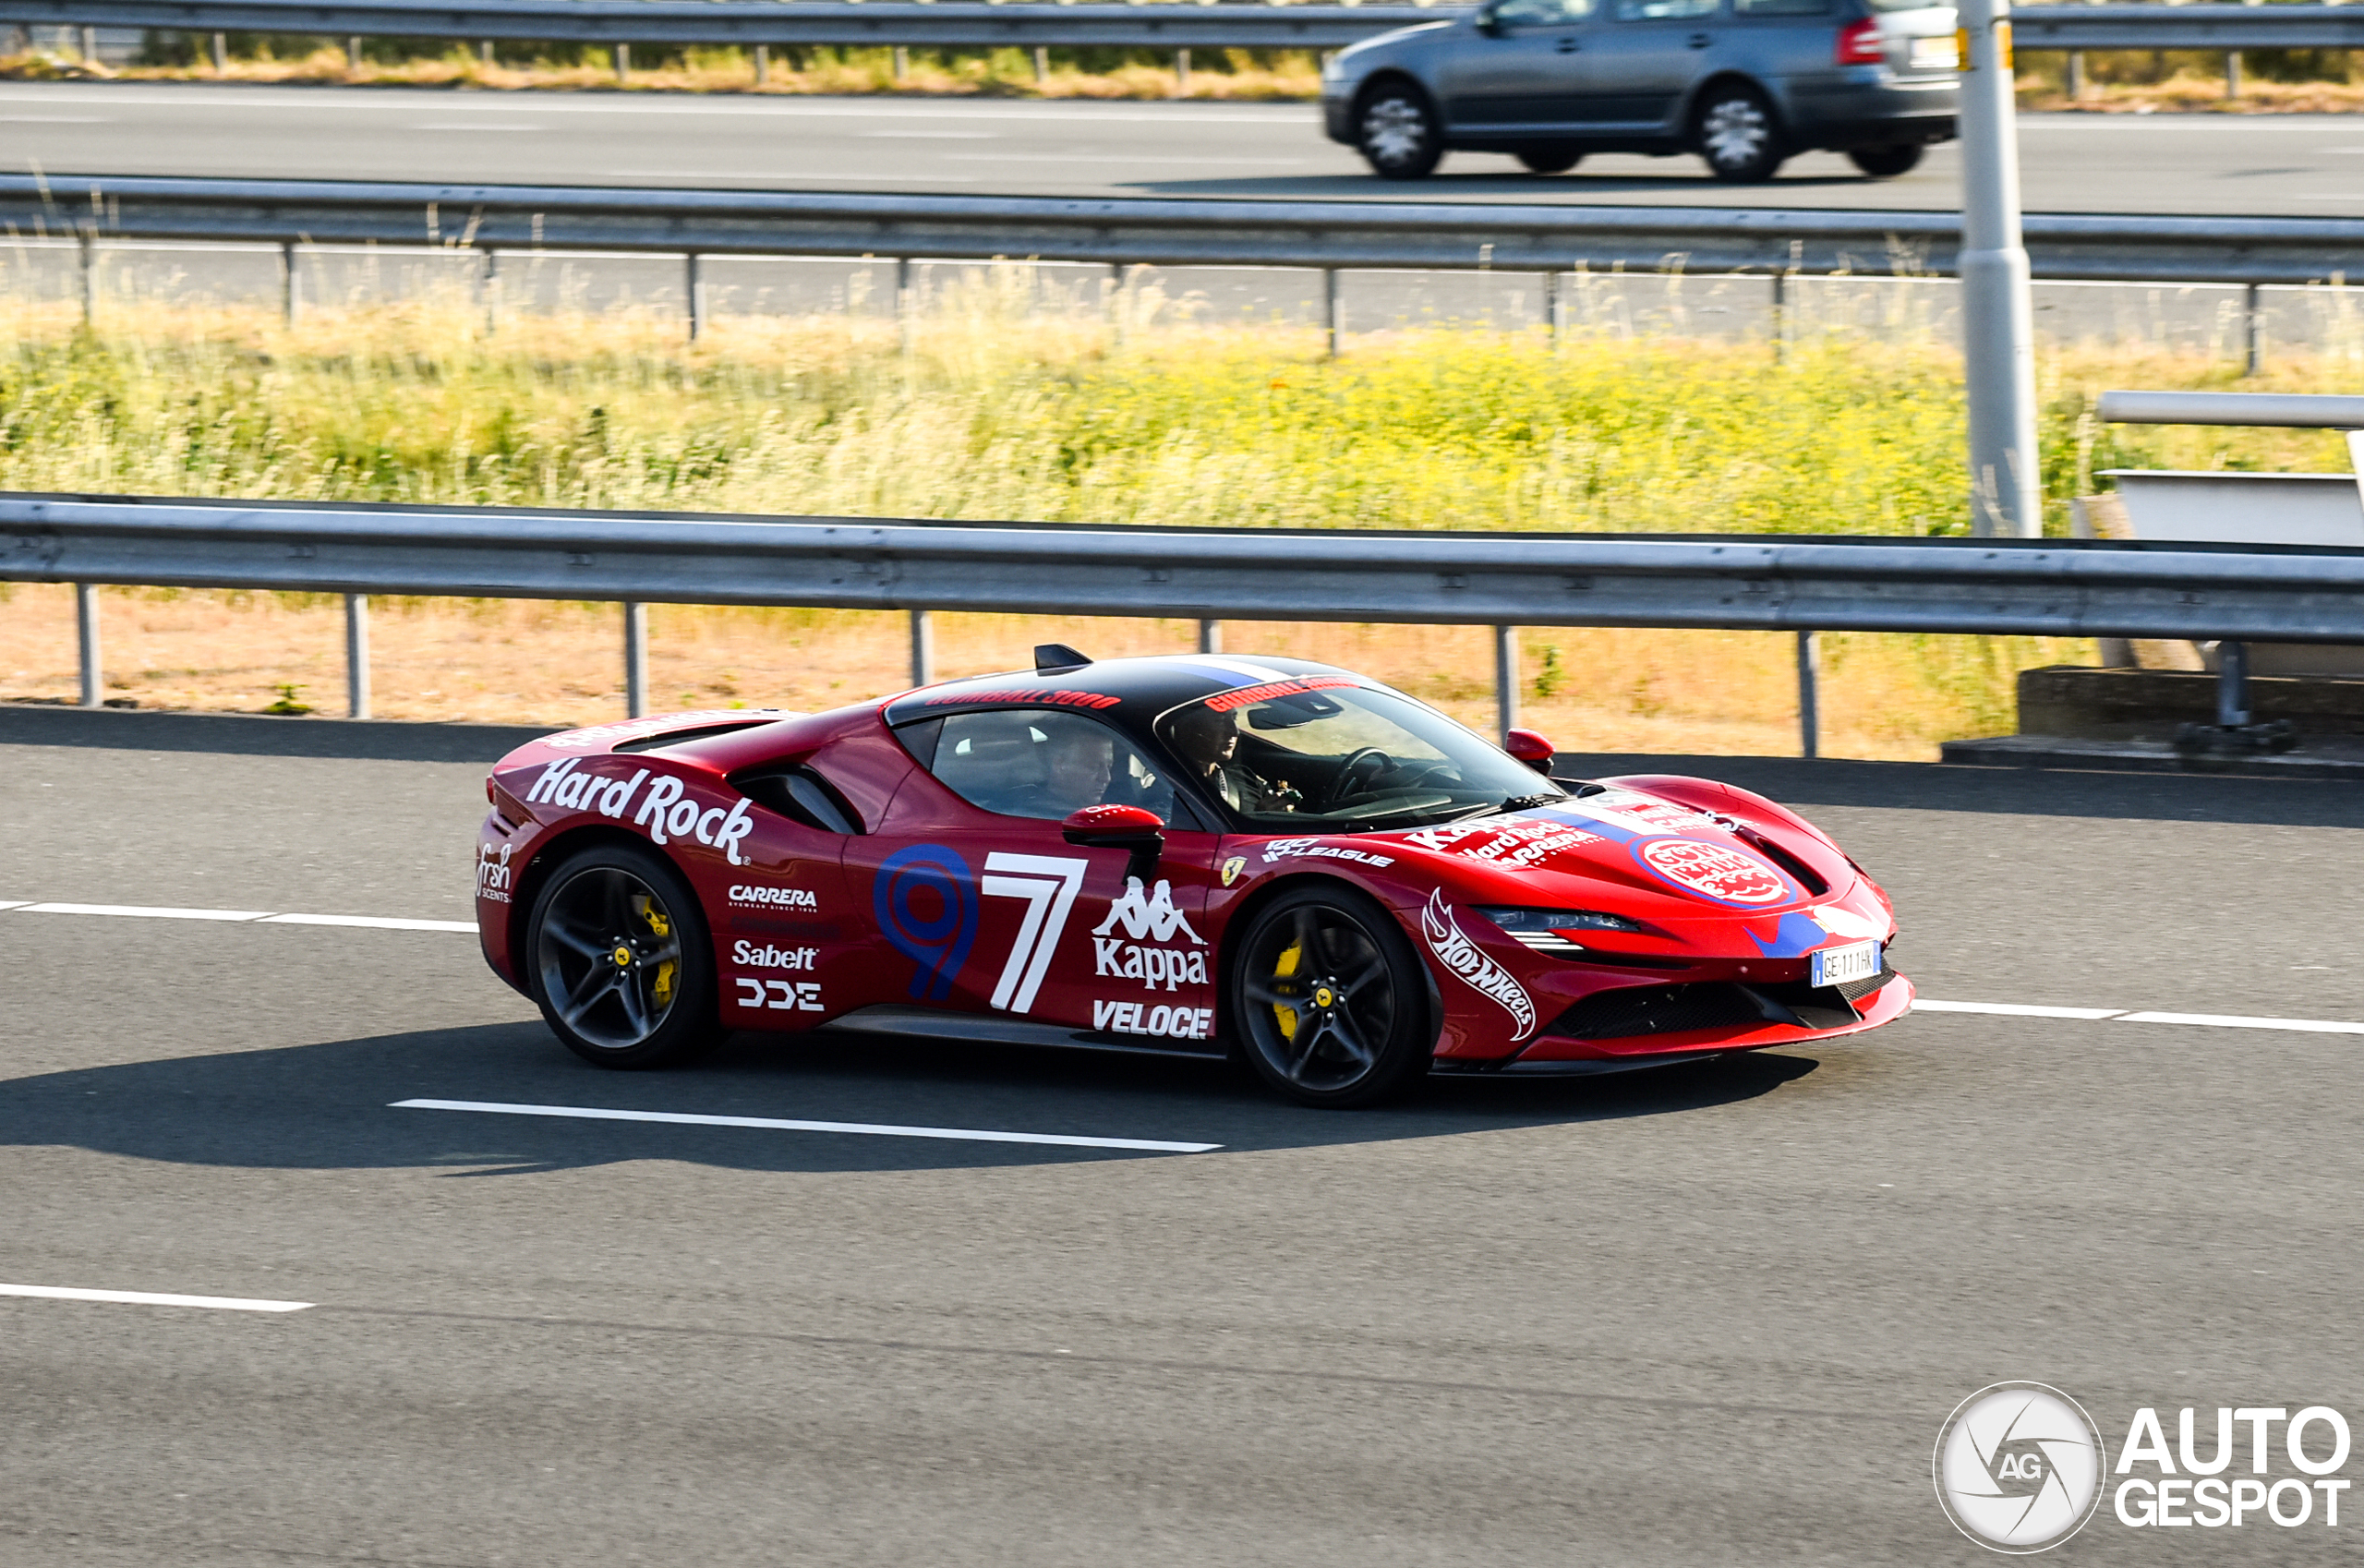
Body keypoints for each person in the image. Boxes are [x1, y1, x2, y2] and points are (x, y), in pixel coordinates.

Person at [1165, 704, 1300, 814]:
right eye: (1220, 721)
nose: (1234, 732)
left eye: (1233, 719)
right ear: (1187, 728)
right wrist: (1258, 819)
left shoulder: (1245, 778)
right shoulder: (1167, 792)